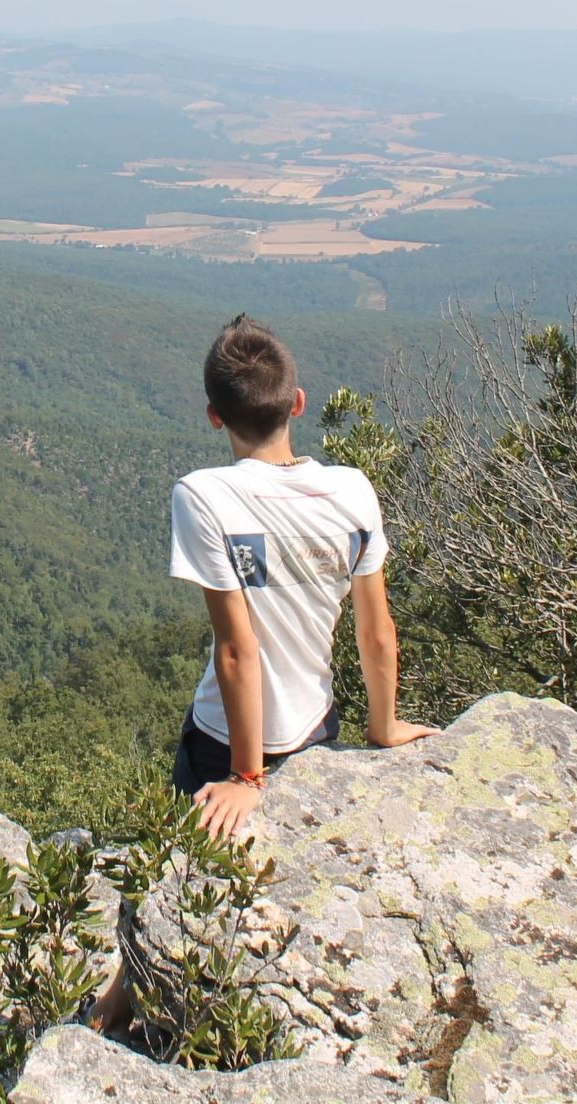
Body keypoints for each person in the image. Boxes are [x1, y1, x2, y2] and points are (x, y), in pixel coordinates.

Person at [166, 313, 438, 843]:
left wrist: (246, 777)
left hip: (222, 745)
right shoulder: (354, 490)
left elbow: (236, 650)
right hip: (317, 730)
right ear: (298, 403)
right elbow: (376, 630)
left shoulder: (203, 495)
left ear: (214, 417)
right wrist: (383, 728)